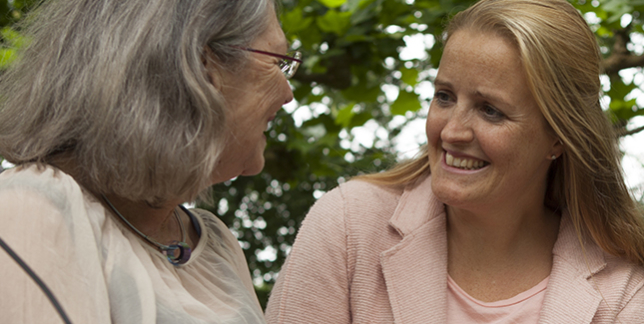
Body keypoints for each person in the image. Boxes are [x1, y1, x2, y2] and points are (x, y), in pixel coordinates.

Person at [265, 0, 644, 323]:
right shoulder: (349, 225)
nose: (452, 132)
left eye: (490, 110)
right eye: (445, 97)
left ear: (559, 136)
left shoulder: (626, 289)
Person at [0, 0, 300, 323]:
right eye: (278, 62)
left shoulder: (214, 244)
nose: (288, 93)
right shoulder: (32, 208)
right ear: (201, 66)